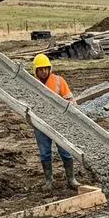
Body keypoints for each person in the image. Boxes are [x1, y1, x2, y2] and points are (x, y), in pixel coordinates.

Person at [32, 54, 80, 192]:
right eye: (40, 69)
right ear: (36, 70)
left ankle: (71, 179)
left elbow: (70, 100)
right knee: (44, 153)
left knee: (65, 151)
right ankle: (49, 181)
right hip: (41, 124)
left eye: (45, 69)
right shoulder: (32, 84)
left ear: (49, 68)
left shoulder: (59, 81)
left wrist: (72, 115)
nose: (43, 72)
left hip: (60, 123)